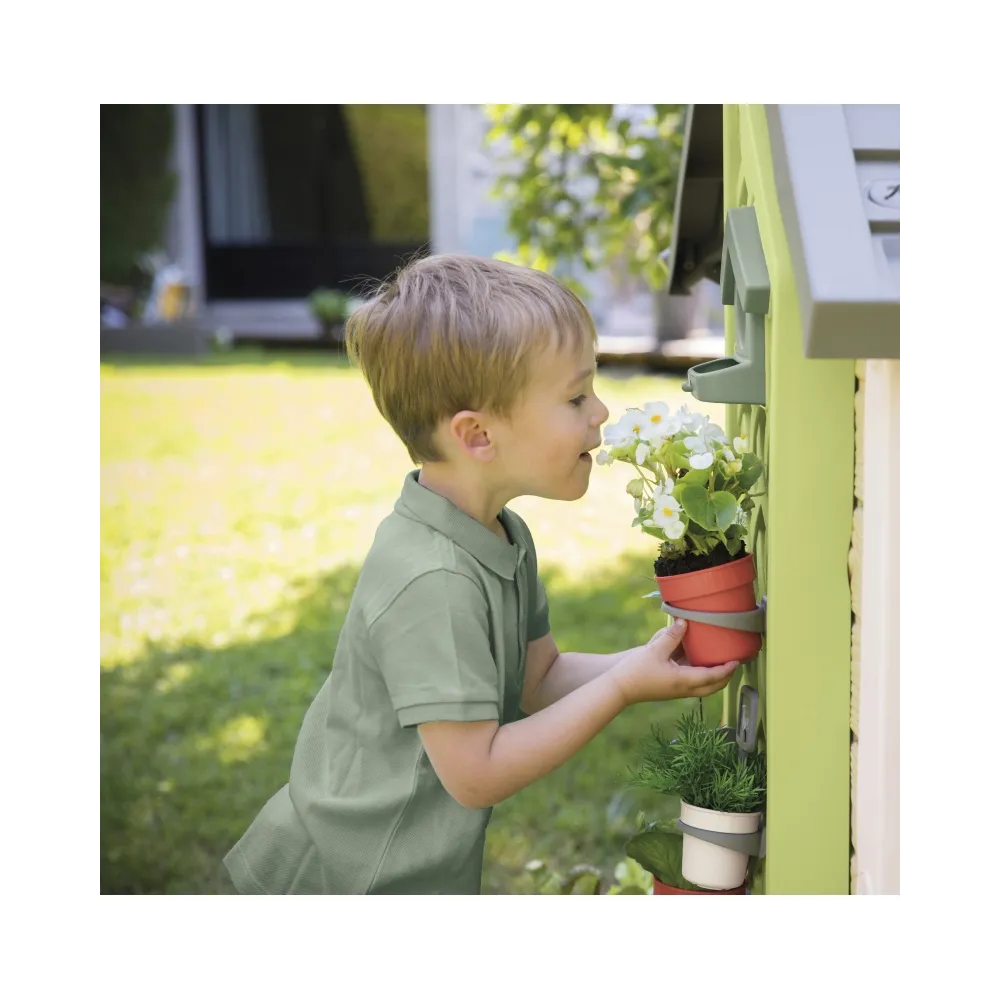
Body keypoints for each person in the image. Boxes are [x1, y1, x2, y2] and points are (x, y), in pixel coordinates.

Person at [223, 254, 739, 894]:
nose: (601, 412)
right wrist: (622, 689)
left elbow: (539, 680)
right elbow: (476, 774)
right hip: (344, 879)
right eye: (576, 396)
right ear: (477, 436)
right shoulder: (432, 580)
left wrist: (651, 658)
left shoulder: (497, 534)